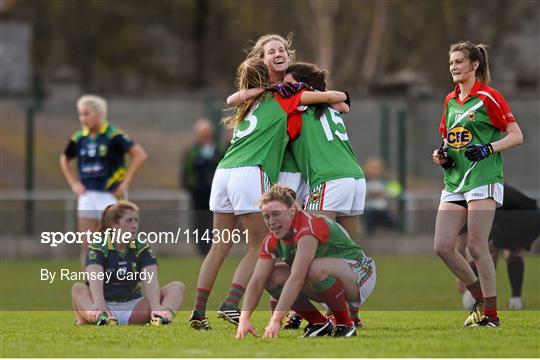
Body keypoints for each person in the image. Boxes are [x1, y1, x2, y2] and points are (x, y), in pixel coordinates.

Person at [189, 55, 348, 330]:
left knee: (220, 246)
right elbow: (335, 103)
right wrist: (339, 94)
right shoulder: (283, 97)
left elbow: (230, 99)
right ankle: (231, 303)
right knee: (263, 245)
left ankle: (198, 312)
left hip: (223, 172)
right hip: (252, 172)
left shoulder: (246, 103)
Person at [432, 41, 523, 327]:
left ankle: (491, 315)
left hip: (482, 178)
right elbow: (448, 139)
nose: (454, 67)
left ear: (475, 65)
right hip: (455, 181)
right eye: (451, 63)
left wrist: (489, 148)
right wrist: (441, 155)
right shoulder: (450, 100)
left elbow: (516, 135)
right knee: (443, 246)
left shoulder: (489, 97)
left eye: (459, 62)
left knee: (476, 246)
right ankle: (479, 298)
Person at [236, 184, 376, 339]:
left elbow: (297, 278)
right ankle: (319, 324)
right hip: (325, 280)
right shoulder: (271, 240)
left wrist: (276, 319)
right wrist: (244, 318)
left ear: (292, 211)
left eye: (276, 214)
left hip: (360, 274)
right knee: (271, 277)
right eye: (267, 216)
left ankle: (345, 325)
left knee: (315, 268)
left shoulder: (307, 228)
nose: (271, 221)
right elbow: (257, 281)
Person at [60, 95, 147, 267]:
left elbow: (140, 155)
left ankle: (122, 284)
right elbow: (64, 158)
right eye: (80, 115)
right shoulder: (79, 138)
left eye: (87, 114)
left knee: (118, 242)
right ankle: (91, 286)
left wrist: (126, 182)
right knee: (88, 245)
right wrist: (74, 183)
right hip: (87, 194)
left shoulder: (114, 135)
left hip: (111, 196)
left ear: (99, 114)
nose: (83, 118)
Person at [71, 200, 185, 325]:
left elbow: (151, 281)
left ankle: (161, 318)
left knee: (177, 287)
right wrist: (99, 304)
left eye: (136, 220)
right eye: (129, 221)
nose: (134, 225)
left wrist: (156, 305)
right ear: (114, 225)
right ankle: (101, 318)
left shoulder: (142, 248)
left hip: (134, 308)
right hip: (104, 305)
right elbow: (94, 278)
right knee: (78, 289)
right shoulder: (98, 246)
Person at [456, 185, 540, 310]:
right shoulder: (487, 184)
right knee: (511, 252)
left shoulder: (467, 199)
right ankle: (515, 300)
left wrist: (464, 277)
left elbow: (461, 246)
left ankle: (479, 294)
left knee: (484, 249)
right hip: (534, 216)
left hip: (516, 217)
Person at [180, 118, 226, 256]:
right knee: (200, 221)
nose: (205, 135)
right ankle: (202, 250)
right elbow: (185, 173)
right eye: (202, 132)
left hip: (217, 192)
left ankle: (216, 249)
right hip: (199, 194)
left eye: (207, 131)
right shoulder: (192, 151)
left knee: (216, 221)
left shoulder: (221, 148)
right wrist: (191, 187)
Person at [363, 157, 400, 235]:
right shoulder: (363, 182)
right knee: (369, 219)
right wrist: (371, 194)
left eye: (377, 168)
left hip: (383, 210)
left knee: (392, 223)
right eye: (372, 168)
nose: (375, 171)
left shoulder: (385, 182)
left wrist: (383, 192)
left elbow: (395, 191)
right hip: (368, 210)